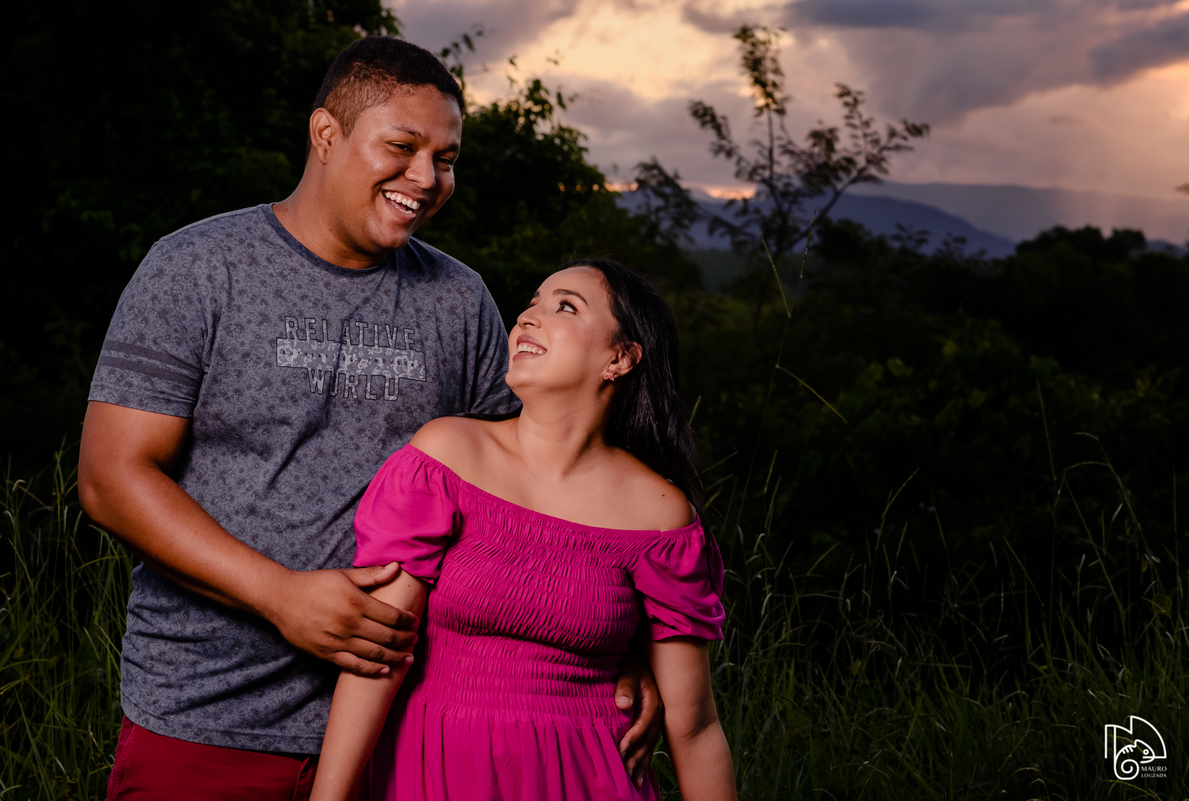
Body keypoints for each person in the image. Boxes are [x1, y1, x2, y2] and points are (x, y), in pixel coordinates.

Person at [78, 38, 661, 800]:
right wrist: (280, 595)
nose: (426, 178)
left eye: (445, 158)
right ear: (326, 134)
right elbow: (111, 478)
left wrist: (620, 641)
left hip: (410, 730)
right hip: (206, 720)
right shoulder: (198, 268)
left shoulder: (460, 303)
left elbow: (535, 493)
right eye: (403, 146)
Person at [309, 259, 737, 801]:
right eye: (532, 303)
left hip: (592, 779)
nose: (527, 317)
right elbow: (380, 655)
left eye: (564, 307)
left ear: (620, 358)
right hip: (434, 773)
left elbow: (695, 728)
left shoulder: (660, 515)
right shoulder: (448, 455)